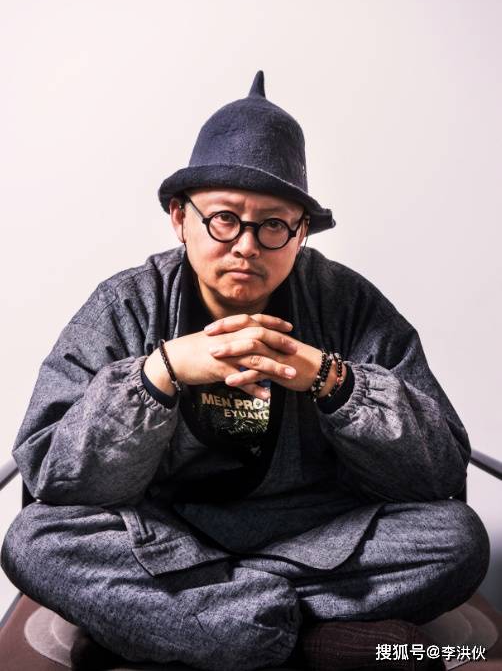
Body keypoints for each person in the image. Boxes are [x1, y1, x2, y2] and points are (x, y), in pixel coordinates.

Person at [0, 71, 490, 671]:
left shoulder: (349, 304)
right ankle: (310, 636)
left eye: (274, 224)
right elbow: (52, 474)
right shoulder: (125, 303)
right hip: (164, 535)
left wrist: (333, 381)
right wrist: (159, 373)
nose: (247, 246)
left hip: (317, 536)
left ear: (301, 233)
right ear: (179, 218)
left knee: (458, 540)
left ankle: (186, 626)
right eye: (224, 219)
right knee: (33, 541)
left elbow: (437, 471)